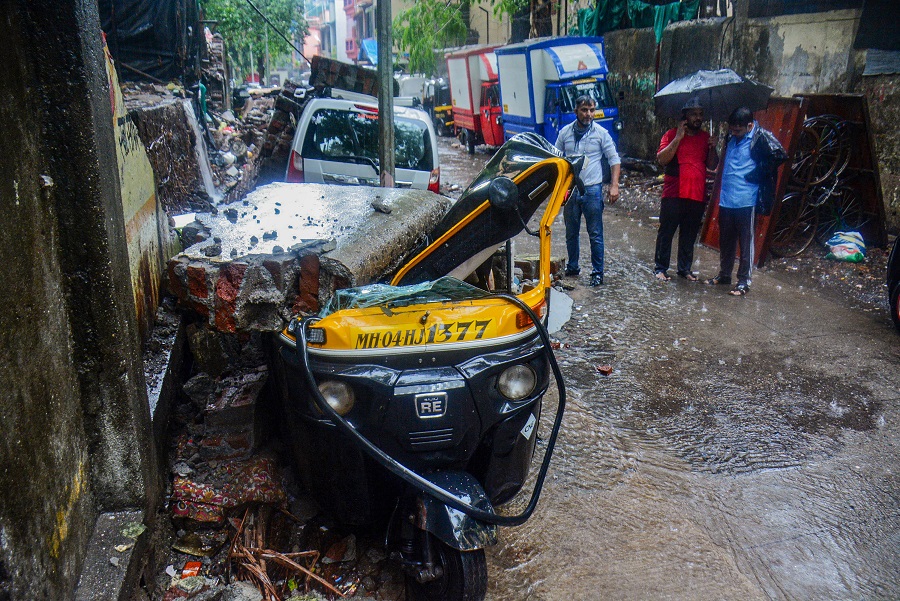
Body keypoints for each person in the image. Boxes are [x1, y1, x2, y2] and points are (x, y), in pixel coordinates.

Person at [705, 106, 785, 296]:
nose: (734, 133)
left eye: (738, 130)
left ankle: (744, 281)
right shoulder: (732, 137)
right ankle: (724, 274)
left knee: (746, 241)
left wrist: (757, 173)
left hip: (746, 199)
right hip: (727, 197)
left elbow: (780, 154)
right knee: (726, 240)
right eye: (732, 129)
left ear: (749, 126)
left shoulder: (760, 137)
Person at [555, 95, 621, 286]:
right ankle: (573, 267)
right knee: (571, 232)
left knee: (595, 233)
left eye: (592, 110)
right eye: (584, 110)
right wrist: (557, 187)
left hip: (592, 189)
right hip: (571, 189)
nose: (588, 114)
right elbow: (556, 158)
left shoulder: (601, 133)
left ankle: (597, 273)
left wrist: (614, 185)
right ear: (576, 111)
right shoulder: (565, 133)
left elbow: (614, 160)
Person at [653, 97, 719, 282]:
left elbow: (712, 165)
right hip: (674, 192)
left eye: (700, 114)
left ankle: (684, 269)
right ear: (684, 117)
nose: (698, 118)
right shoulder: (671, 134)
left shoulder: (706, 138)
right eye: (694, 114)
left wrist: (713, 148)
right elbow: (662, 159)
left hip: (696, 193)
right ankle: (660, 268)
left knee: (689, 234)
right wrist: (678, 138)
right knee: (667, 232)